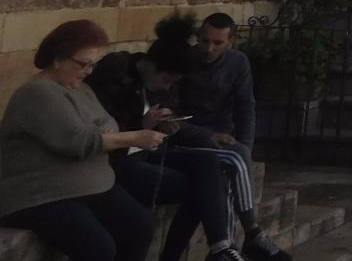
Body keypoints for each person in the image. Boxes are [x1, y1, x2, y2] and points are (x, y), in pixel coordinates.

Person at [0, 20, 165, 261]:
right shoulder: (38, 93)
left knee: (140, 226)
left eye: (92, 65)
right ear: (58, 58)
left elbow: (108, 124)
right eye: (82, 63)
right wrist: (133, 138)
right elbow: (78, 142)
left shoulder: (80, 89)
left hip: (85, 187)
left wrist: (104, 136)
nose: (88, 71)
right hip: (40, 195)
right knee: (98, 248)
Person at [87, 16, 247, 261]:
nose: (166, 87)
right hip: (117, 163)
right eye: (166, 80)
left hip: (148, 151)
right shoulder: (118, 74)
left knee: (208, 166)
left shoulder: (159, 84)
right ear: (152, 65)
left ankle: (221, 246)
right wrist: (141, 126)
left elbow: (169, 108)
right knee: (198, 190)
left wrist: (168, 124)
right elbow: (101, 130)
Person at [181, 14, 291, 260]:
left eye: (218, 43)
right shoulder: (185, 61)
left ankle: (225, 250)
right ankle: (251, 233)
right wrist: (208, 135)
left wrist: (246, 147)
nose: (209, 48)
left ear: (230, 41)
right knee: (235, 160)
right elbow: (171, 116)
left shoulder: (238, 62)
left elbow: (245, 107)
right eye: (204, 41)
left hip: (224, 140)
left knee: (233, 168)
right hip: (191, 139)